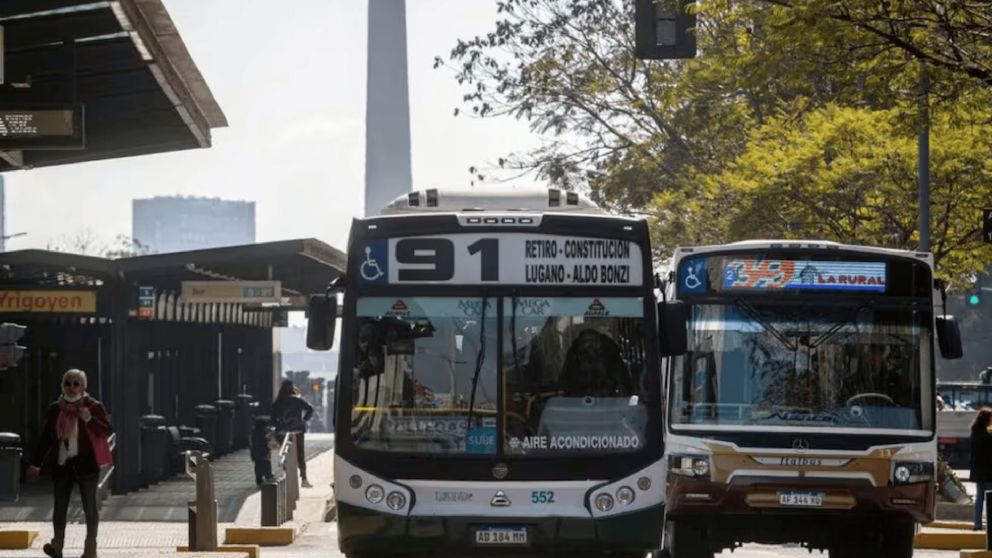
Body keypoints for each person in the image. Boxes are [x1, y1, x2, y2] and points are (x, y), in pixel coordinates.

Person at [26, 369, 113, 558]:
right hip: (62, 464)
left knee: (89, 506)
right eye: (68, 383)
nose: (72, 387)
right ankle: (57, 546)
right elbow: (47, 438)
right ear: (62, 386)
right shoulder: (55, 409)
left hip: (87, 465)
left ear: (83, 387)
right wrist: (36, 464)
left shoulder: (93, 406)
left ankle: (90, 549)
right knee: (60, 507)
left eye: (76, 383)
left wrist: (89, 419)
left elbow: (107, 429)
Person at [272, 380, 314, 488]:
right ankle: (304, 479)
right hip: (298, 431)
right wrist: (304, 420)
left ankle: (287, 477)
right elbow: (310, 409)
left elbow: (273, 417)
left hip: (283, 432)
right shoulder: (297, 400)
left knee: (286, 453)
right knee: (300, 455)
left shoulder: (278, 401)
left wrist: (278, 427)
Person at [970, 407, 992, 530]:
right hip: (989, 472)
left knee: (979, 498)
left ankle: (977, 523)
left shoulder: (974, 433)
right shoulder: (987, 435)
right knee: (990, 498)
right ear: (987, 419)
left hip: (978, 472)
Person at [250, 416, 274, 486]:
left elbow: (252, 443)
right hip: (264, 452)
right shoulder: (264, 432)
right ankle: (268, 476)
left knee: (258, 466)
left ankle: (259, 478)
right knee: (266, 464)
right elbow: (267, 442)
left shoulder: (254, 432)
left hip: (256, 453)